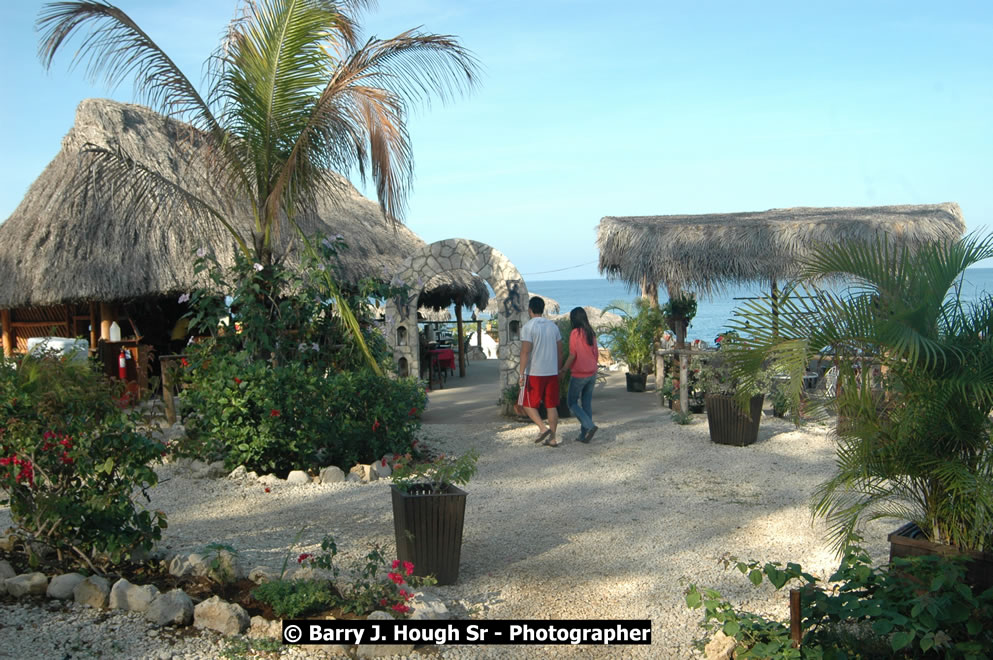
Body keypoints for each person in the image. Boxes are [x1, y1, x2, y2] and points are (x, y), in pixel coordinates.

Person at [518, 296, 563, 446]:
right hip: (551, 371)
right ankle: (553, 438)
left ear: (529, 310)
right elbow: (560, 351)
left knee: (527, 404)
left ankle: (543, 428)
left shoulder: (528, 327)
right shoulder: (553, 327)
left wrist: (521, 373)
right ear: (543, 309)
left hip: (535, 372)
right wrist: (559, 369)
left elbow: (525, 352)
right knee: (551, 405)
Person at [562, 307, 599, 443]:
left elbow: (572, 355)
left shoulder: (575, 333)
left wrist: (564, 369)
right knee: (586, 404)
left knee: (571, 402)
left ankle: (589, 426)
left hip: (579, 374)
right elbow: (596, 353)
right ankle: (584, 436)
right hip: (592, 372)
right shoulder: (591, 333)